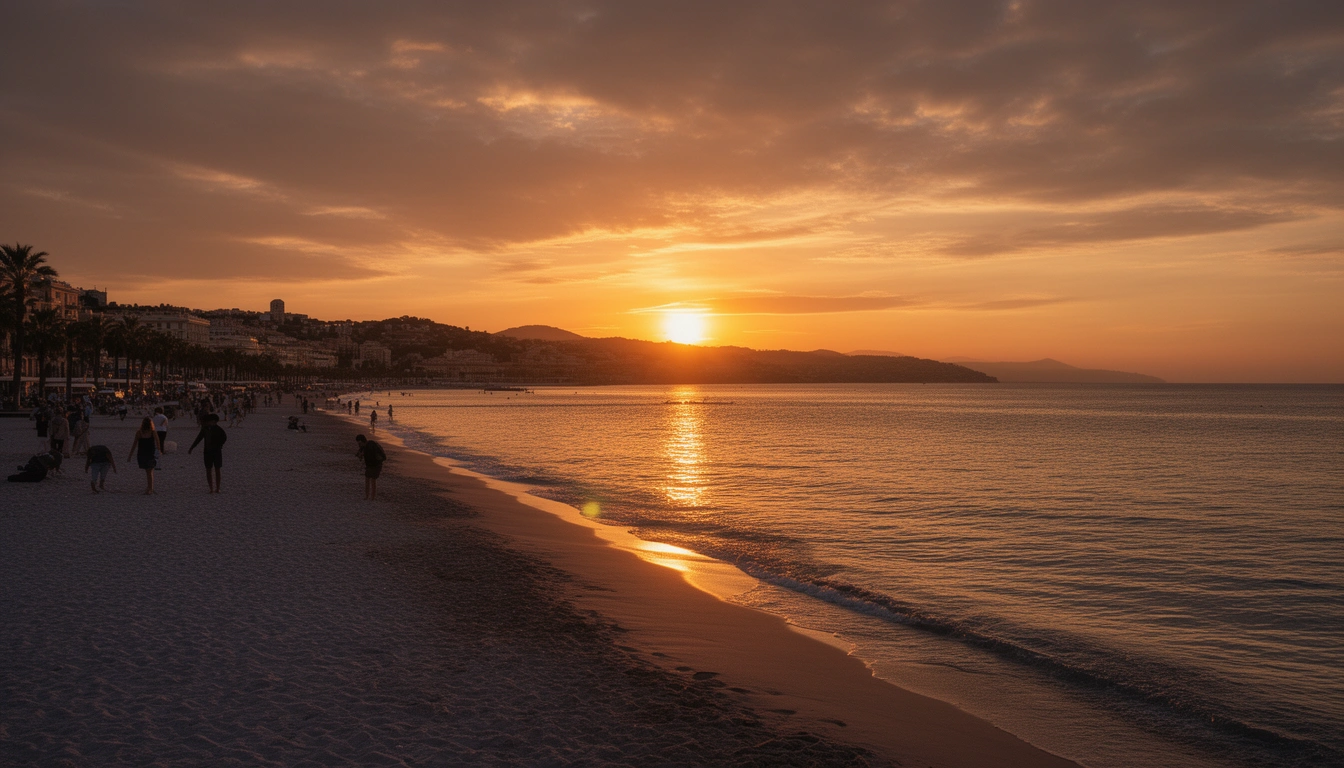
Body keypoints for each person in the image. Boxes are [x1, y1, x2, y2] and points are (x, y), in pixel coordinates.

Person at [188, 413, 227, 494]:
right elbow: (198, 438)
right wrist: (192, 447)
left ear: (214, 421)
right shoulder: (205, 429)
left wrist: (220, 445)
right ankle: (211, 488)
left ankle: (218, 488)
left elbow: (224, 438)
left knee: (217, 469)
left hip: (216, 451)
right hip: (207, 452)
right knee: (208, 469)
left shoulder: (219, 429)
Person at [127, 417, 162, 494]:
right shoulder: (153, 432)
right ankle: (150, 488)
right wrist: (159, 451)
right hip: (149, 453)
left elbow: (134, 445)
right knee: (149, 471)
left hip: (142, 454)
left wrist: (130, 456)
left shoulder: (139, 432)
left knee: (148, 471)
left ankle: (150, 488)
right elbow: (158, 442)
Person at [354, 434, 386, 500]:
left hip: (376, 465)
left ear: (362, 441)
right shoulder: (364, 446)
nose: (358, 444)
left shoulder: (370, 445)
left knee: (372, 480)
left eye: (359, 442)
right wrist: (361, 455)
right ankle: (367, 496)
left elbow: (373, 457)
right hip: (370, 465)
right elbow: (359, 455)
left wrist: (362, 454)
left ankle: (372, 497)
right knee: (367, 479)